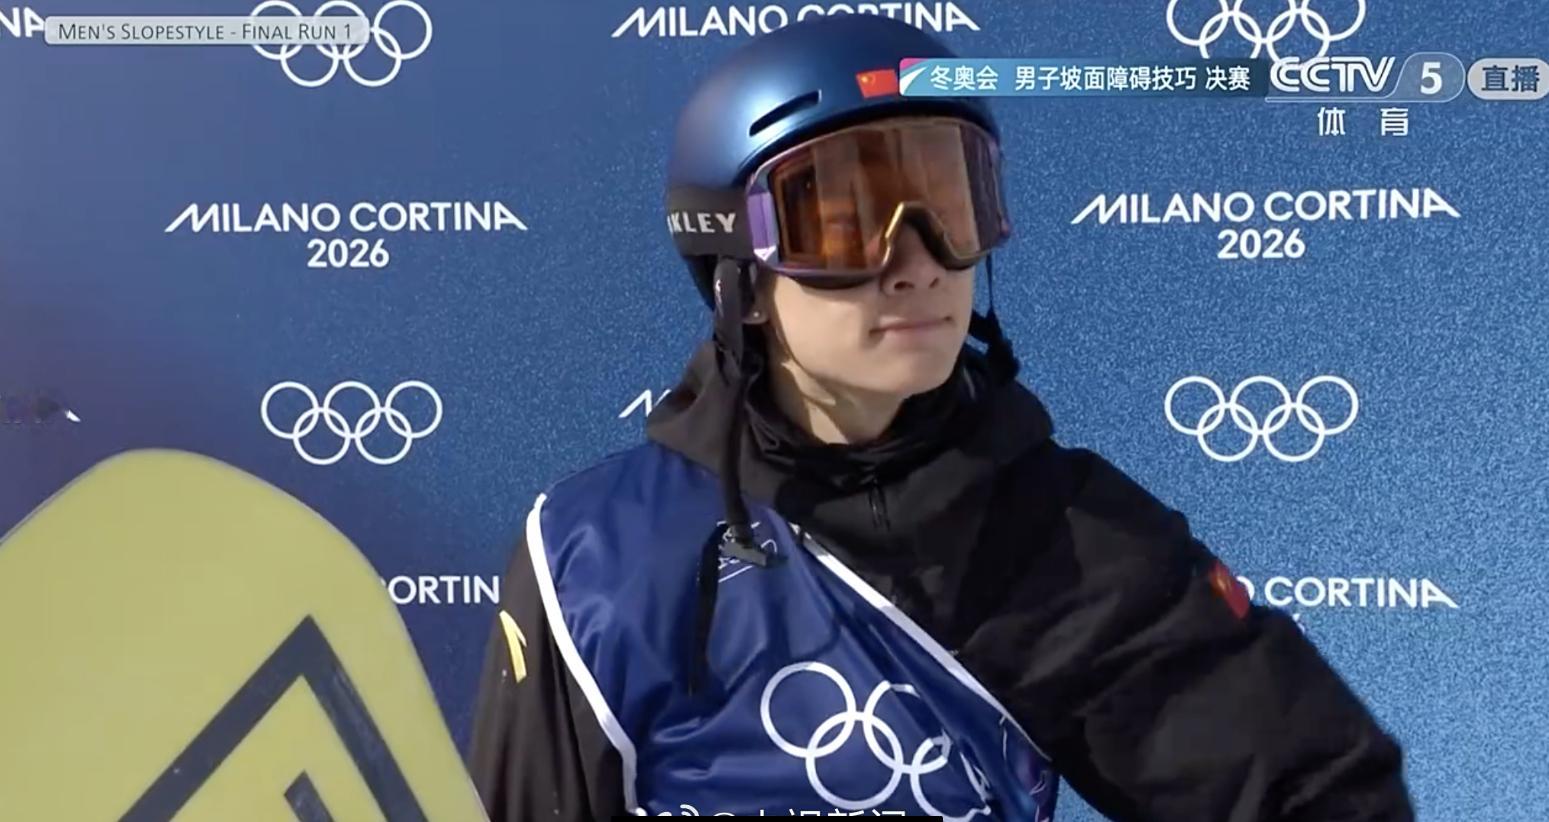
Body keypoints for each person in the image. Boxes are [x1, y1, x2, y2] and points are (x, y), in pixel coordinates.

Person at [466, 14, 1416, 821]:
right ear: (739, 280)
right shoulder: (598, 552)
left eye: (947, 207)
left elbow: (1313, 793)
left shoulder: (1059, 537)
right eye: (845, 221)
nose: (915, 263)